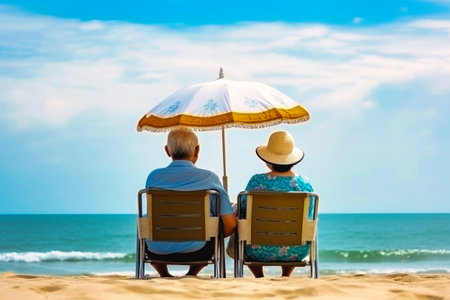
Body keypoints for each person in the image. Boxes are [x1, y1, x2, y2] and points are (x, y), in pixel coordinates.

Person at [145, 126, 237, 277]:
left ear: (167, 151)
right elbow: (231, 223)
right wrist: (219, 234)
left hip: (157, 252)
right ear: (197, 150)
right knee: (214, 224)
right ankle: (192, 273)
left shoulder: (154, 177)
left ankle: (164, 274)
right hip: (199, 252)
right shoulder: (209, 178)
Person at [240, 130, 314, 278]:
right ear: (293, 160)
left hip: (257, 249)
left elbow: (244, 210)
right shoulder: (304, 184)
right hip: (295, 251)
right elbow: (308, 216)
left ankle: (259, 275)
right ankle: (286, 274)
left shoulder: (256, 181)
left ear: (267, 161)